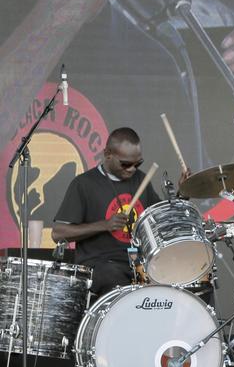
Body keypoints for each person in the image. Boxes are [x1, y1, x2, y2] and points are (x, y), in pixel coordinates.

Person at [52, 127, 165, 296]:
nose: (132, 169)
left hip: (137, 263)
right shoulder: (84, 184)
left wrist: (183, 195)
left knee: (171, 281)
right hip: (99, 265)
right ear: (107, 154)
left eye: (137, 163)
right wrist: (104, 225)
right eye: (125, 164)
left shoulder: (141, 179)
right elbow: (58, 234)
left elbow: (161, 215)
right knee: (115, 278)